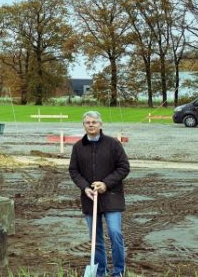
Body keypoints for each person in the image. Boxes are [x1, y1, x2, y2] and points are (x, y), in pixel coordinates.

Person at [69, 110, 130, 277]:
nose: (91, 125)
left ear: (100, 124)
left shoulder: (113, 144)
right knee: (96, 239)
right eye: (88, 122)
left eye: (94, 122)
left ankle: (118, 271)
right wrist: (85, 187)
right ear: (84, 125)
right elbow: (73, 170)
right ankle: (100, 272)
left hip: (111, 197)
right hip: (90, 198)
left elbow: (124, 167)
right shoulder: (78, 147)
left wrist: (106, 184)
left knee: (115, 233)